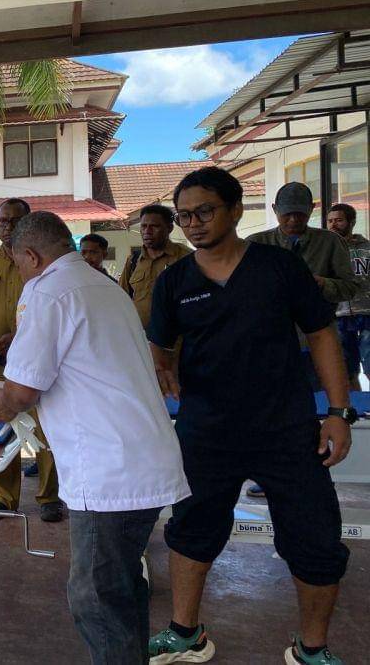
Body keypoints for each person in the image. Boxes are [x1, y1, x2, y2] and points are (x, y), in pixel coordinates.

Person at [146, 167, 351, 665]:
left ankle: (312, 648)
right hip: (206, 431)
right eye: (184, 216)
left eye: (204, 211)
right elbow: (160, 345)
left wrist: (337, 412)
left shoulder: (279, 268)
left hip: (287, 429)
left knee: (316, 539)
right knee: (190, 530)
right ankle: (185, 633)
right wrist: (162, 369)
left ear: (236, 210)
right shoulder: (175, 281)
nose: (193, 224)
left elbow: (322, 334)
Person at [0, 211, 189, 665]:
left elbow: (23, 389)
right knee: (121, 587)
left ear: (31, 256)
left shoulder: (47, 291)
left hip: (108, 469)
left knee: (96, 596)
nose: (20, 273)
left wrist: (1, 404)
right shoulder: (104, 285)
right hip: (139, 457)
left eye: (18, 264)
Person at [246, 183, 358, 498]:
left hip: (315, 345)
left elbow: (350, 288)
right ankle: (269, 475)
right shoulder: (257, 244)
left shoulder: (330, 243)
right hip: (268, 346)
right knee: (269, 412)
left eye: (299, 214)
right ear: (274, 211)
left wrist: (320, 284)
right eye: (286, 215)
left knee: (311, 413)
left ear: (312, 210)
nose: (293, 221)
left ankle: (311, 475)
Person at [0, 198, 62, 523]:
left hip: (36, 361)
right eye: (2, 222)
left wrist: (16, 339)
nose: (7, 227)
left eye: (14, 221)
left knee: (44, 427)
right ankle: (4, 497)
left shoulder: (41, 261)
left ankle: (50, 497)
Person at [119, 204, 193, 329]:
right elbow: (121, 298)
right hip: (140, 335)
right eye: (144, 226)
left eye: (154, 226)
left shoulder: (186, 258)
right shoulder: (133, 261)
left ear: (169, 228)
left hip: (177, 336)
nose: (147, 231)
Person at [329, 203, 370, 389]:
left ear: (351, 222)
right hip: (339, 315)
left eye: (339, 220)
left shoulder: (367, 248)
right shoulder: (327, 250)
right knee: (346, 369)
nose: (333, 224)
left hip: (367, 312)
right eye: (330, 221)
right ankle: (354, 403)